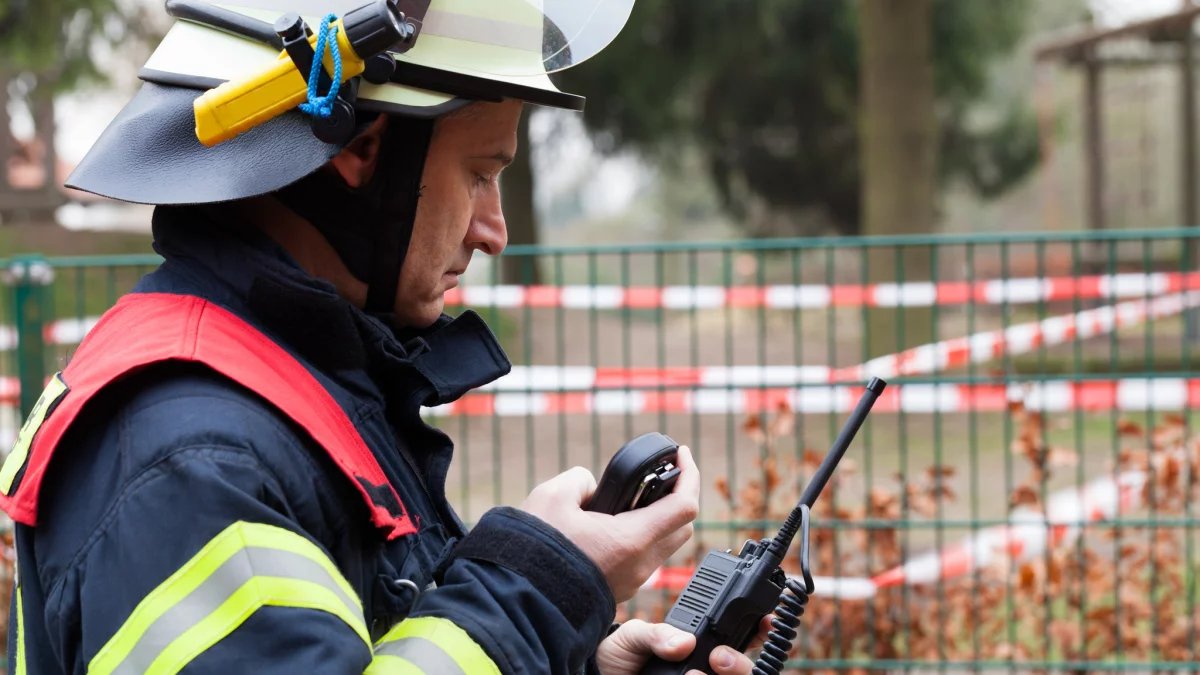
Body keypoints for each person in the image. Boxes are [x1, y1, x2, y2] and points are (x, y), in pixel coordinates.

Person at [0, 0, 772, 673]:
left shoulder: (290, 393)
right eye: (478, 173)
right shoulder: (190, 458)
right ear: (361, 149)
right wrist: (539, 584)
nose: (493, 230)